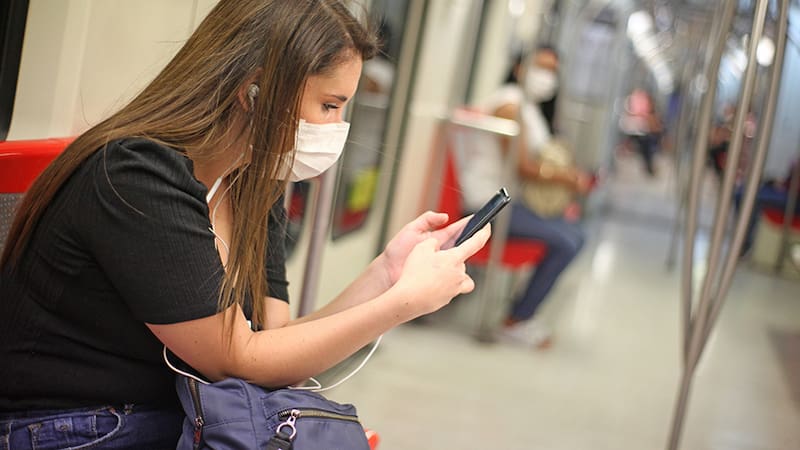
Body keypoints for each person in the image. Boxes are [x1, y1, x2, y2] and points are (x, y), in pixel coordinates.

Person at [0, 1, 490, 448]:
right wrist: (402, 305)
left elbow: (273, 345)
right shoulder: (137, 174)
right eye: (329, 105)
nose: (337, 127)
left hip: (169, 417)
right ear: (254, 91)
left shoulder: (251, 183)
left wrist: (386, 276)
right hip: (79, 426)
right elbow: (239, 359)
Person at [459, 47, 591, 349]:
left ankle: (521, 314)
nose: (547, 76)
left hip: (511, 201)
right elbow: (520, 166)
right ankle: (517, 320)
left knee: (577, 234)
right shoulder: (508, 105)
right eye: (540, 67)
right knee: (565, 242)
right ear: (519, 68)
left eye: (553, 71)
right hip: (489, 205)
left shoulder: (528, 108)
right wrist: (566, 178)